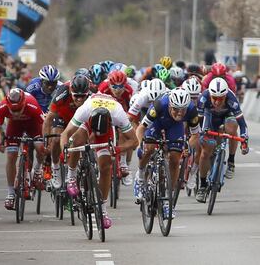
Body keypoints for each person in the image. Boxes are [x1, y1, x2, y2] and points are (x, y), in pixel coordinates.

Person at [60, 93, 138, 228]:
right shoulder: (84, 111)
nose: (95, 136)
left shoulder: (119, 115)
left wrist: (118, 149)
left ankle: (102, 210)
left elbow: (134, 141)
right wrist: (65, 151)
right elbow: (65, 134)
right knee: (77, 142)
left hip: (106, 131)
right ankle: (71, 177)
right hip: (88, 124)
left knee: (106, 167)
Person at [134, 88, 200, 218]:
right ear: (170, 105)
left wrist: (187, 146)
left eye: (183, 110)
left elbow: (195, 135)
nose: (179, 114)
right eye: (176, 109)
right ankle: (140, 176)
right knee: (149, 148)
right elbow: (141, 128)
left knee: (175, 158)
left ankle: (168, 200)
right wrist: (141, 143)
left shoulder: (192, 110)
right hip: (157, 122)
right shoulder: (159, 105)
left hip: (175, 127)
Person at [196, 78, 249, 203]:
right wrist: (200, 135)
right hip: (210, 116)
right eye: (214, 98)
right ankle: (202, 186)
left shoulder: (232, 100)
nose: (217, 101)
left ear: (225, 95)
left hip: (228, 115)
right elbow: (198, 122)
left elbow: (243, 125)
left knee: (231, 130)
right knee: (205, 152)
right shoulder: (203, 98)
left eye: (221, 98)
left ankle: (231, 160)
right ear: (210, 94)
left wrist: (245, 141)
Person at [0, 88, 45, 210]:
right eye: (13, 110)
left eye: (18, 110)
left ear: (23, 103)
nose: (16, 113)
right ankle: (10, 193)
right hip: (14, 126)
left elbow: (43, 124)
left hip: (33, 124)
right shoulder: (2, 107)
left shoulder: (32, 104)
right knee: (11, 156)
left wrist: (43, 141)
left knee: (40, 148)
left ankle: (37, 170)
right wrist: (0, 141)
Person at [42, 74, 91, 188]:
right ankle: (56, 168)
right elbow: (49, 119)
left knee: (83, 141)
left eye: (82, 96)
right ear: (70, 91)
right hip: (63, 118)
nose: (79, 99)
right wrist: (46, 141)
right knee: (56, 140)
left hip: (80, 119)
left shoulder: (92, 94)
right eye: (76, 96)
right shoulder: (62, 92)